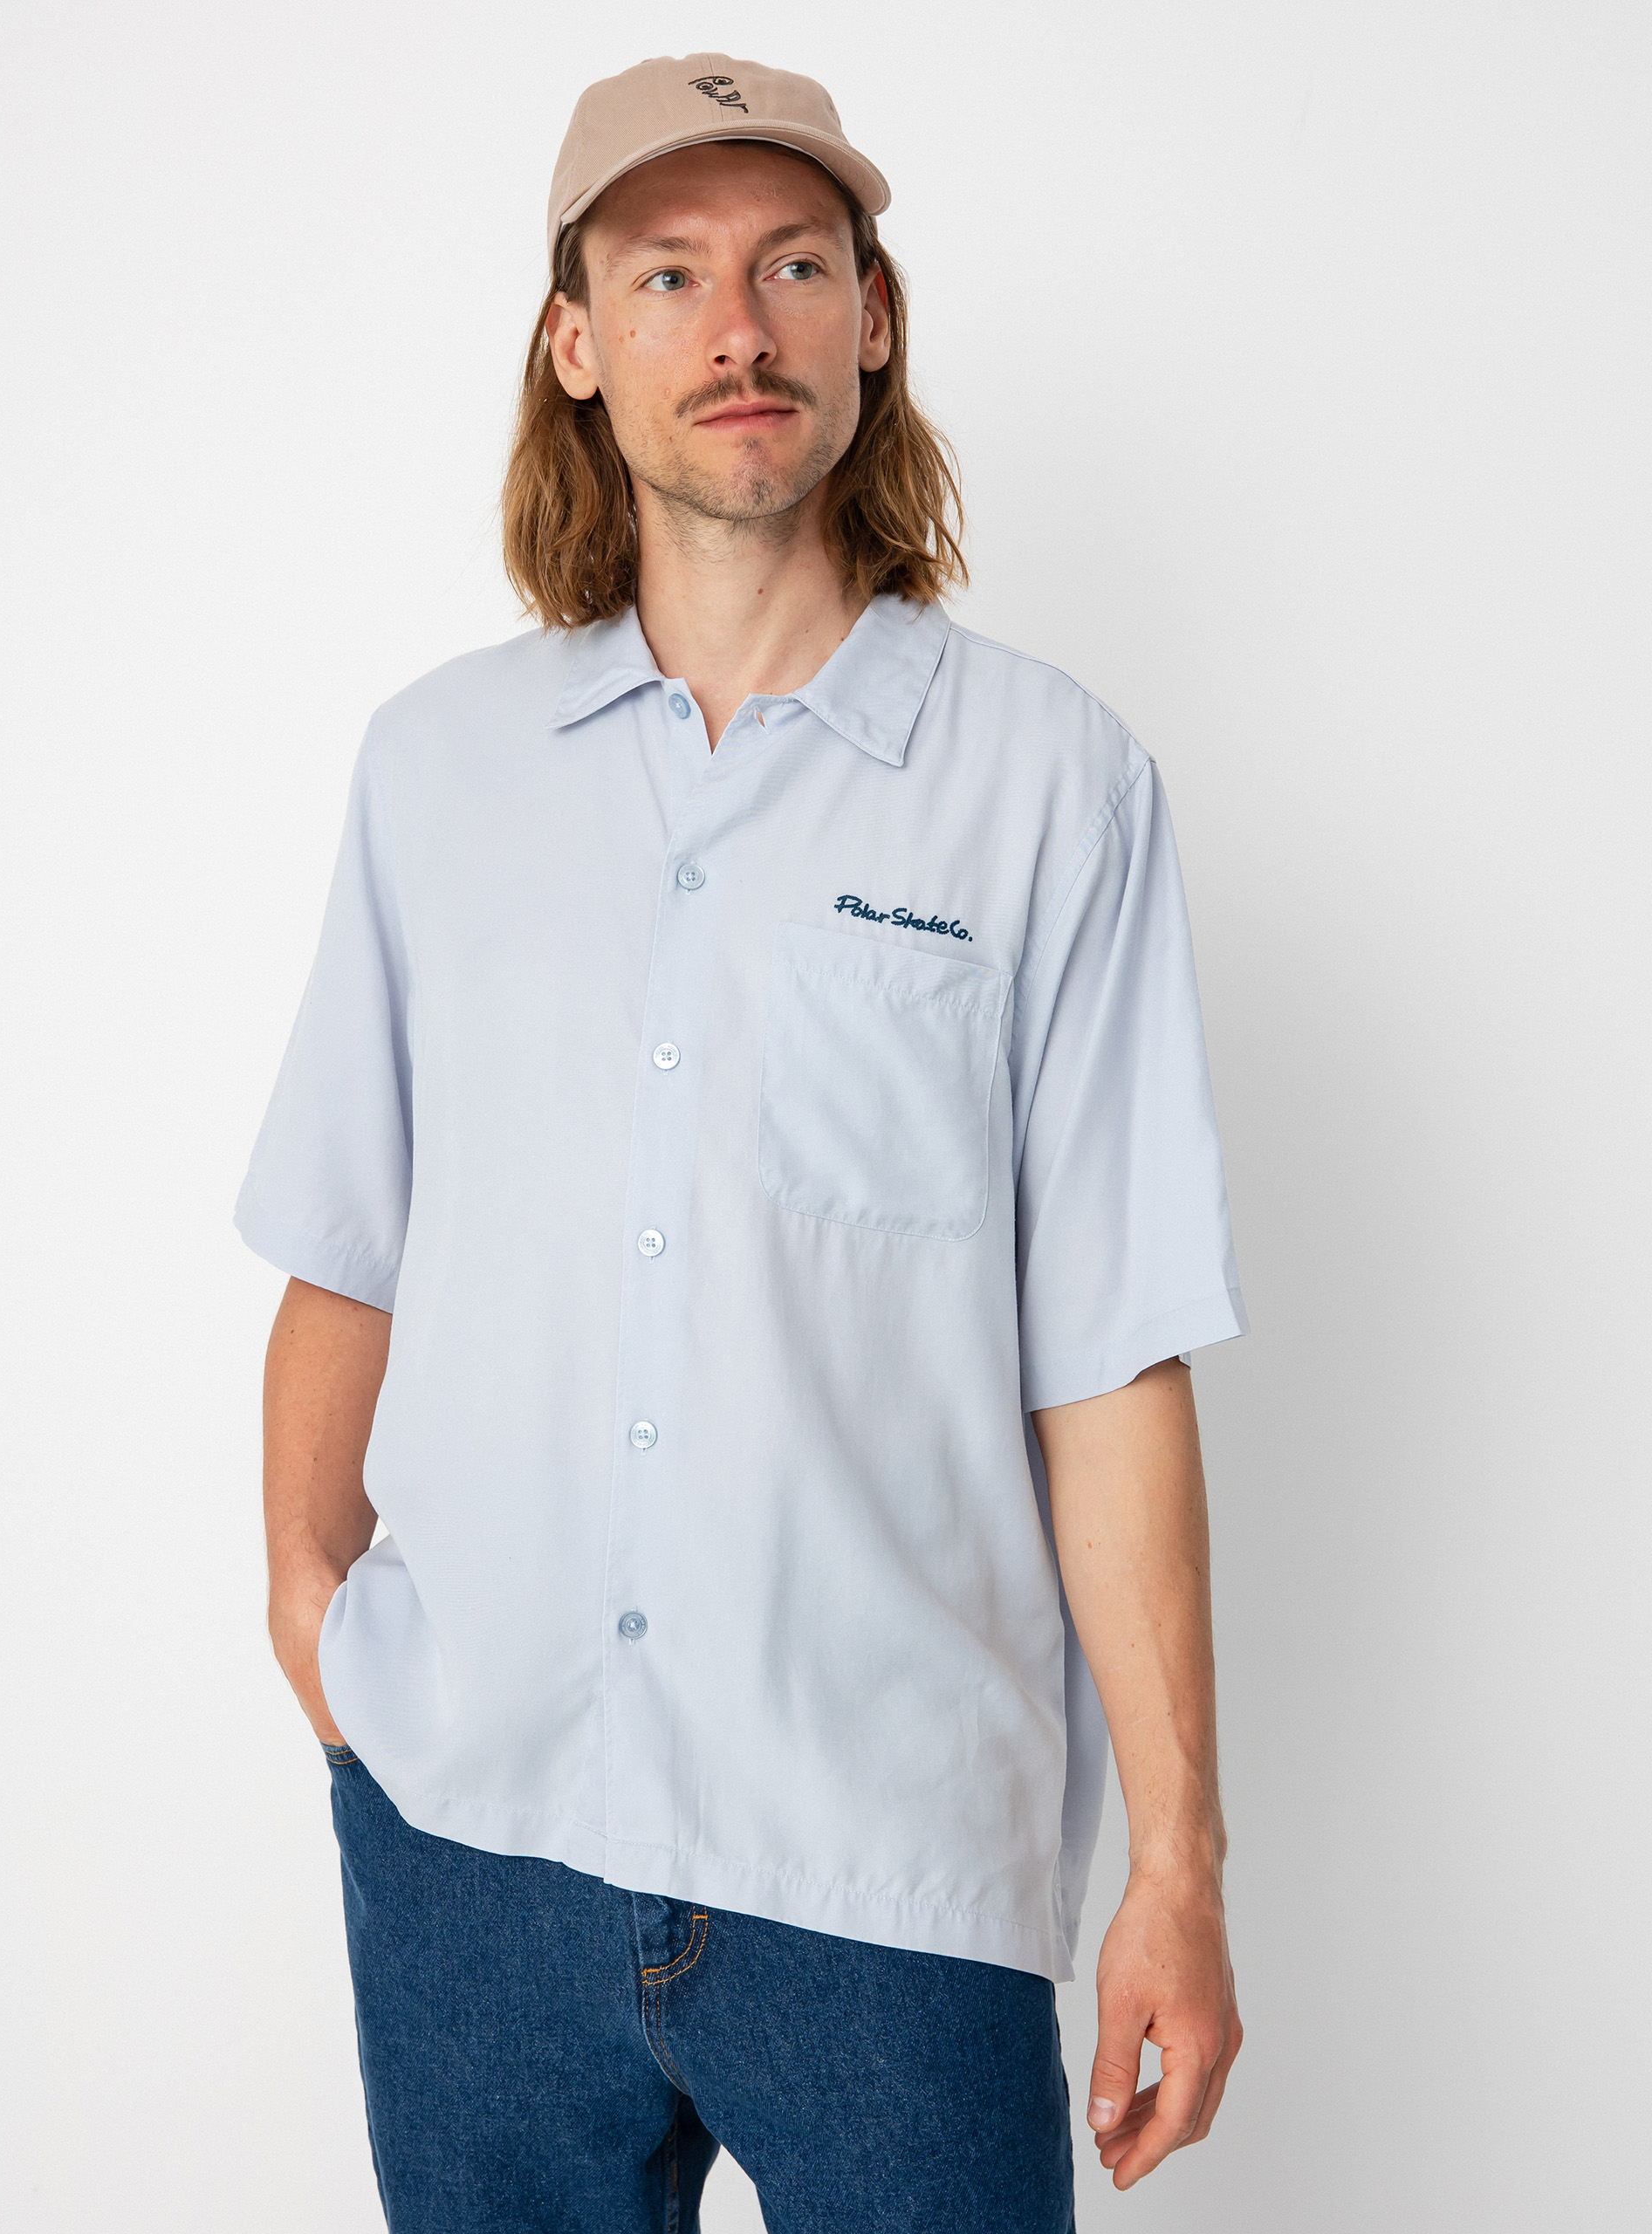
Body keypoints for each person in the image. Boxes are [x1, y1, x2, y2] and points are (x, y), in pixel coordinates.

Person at [240, 51, 1247, 2234]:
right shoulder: (436, 772)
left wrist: (1177, 1858)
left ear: (872, 319)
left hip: (886, 1872)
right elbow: (345, 1238)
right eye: (668, 273)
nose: (738, 327)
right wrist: (320, 1635)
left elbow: (1112, 1351)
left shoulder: (1052, 788)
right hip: (475, 1843)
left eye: (793, 266)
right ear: (575, 342)